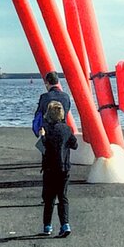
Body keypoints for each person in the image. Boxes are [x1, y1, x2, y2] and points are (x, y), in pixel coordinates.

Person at [38, 100, 78, 237]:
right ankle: (65, 224)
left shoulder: (47, 129)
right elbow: (74, 145)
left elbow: (42, 147)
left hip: (50, 168)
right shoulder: (66, 129)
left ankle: (47, 226)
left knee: (49, 199)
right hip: (64, 167)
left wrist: (42, 136)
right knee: (63, 197)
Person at [32, 70, 72, 137]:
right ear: (57, 82)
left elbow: (38, 114)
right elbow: (66, 112)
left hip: (48, 131)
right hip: (62, 130)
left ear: (47, 83)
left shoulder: (44, 97)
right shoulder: (66, 96)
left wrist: (38, 130)